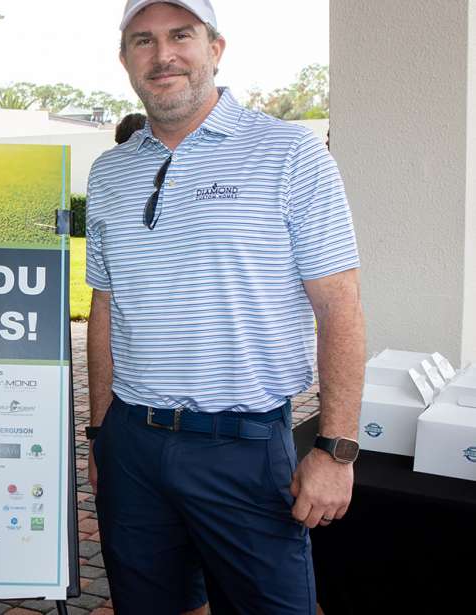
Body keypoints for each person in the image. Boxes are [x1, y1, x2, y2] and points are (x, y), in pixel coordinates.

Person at [83, 1, 365, 614]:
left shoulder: (290, 153)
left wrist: (336, 449)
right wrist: (100, 434)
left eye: (181, 36)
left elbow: (339, 307)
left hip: (242, 447)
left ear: (215, 48)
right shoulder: (108, 173)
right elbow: (106, 308)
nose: (163, 55)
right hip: (133, 445)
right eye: (143, 41)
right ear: (124, 59)